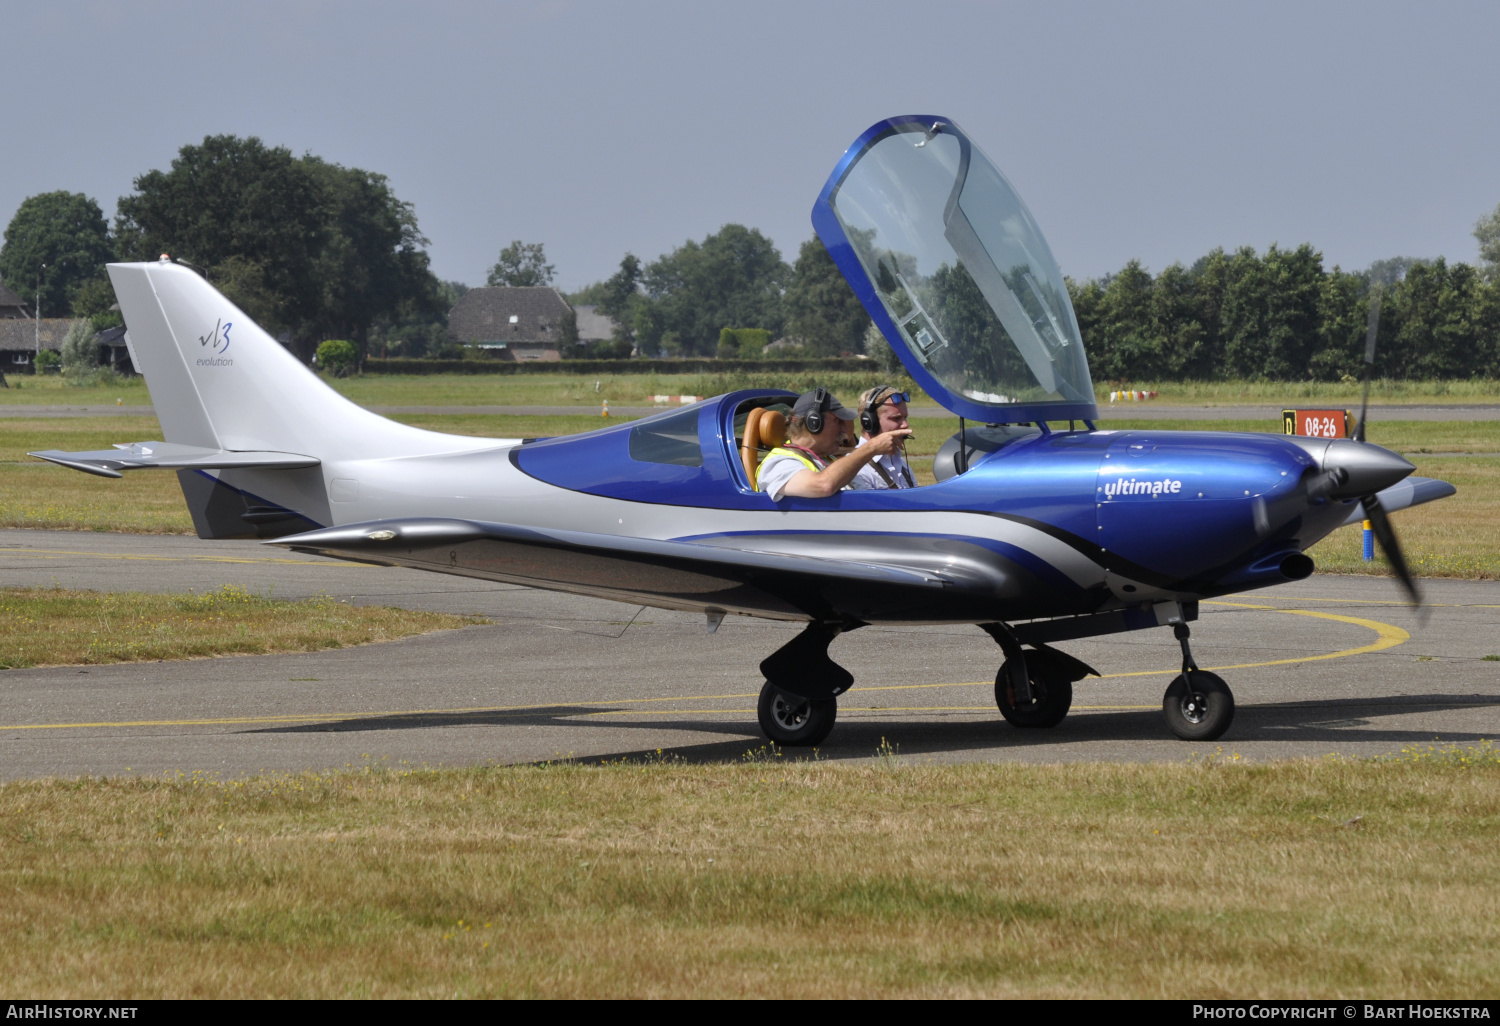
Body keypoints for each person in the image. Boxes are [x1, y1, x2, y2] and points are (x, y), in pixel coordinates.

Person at [756, 387, 911, 500]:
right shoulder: (778, 464)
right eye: (837, 421)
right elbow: (823, 485)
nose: (845, 429)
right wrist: (871, 448)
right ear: (814, 423)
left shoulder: (829, 460)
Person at [852, 385, 916, 489]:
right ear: (870, 422)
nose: (905, 425)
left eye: (905, 417)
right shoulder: (857, 469)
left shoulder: (902, 465)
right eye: (896, 418)